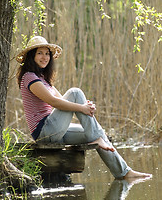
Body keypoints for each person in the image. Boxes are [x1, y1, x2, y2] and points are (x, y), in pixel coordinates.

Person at [16, 36, 152, 180]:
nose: (45, 57)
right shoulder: (29, 77)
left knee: (96, 134)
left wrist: (84, 108)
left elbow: (64, 103)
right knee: (75, 92)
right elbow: (54, 102)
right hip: (44, 132)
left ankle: (124, 173)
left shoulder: (43, 78)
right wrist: (82, 108)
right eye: (40, 53)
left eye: (47, 53)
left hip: (56, 130)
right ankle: (101, 144)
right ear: (32, 56)